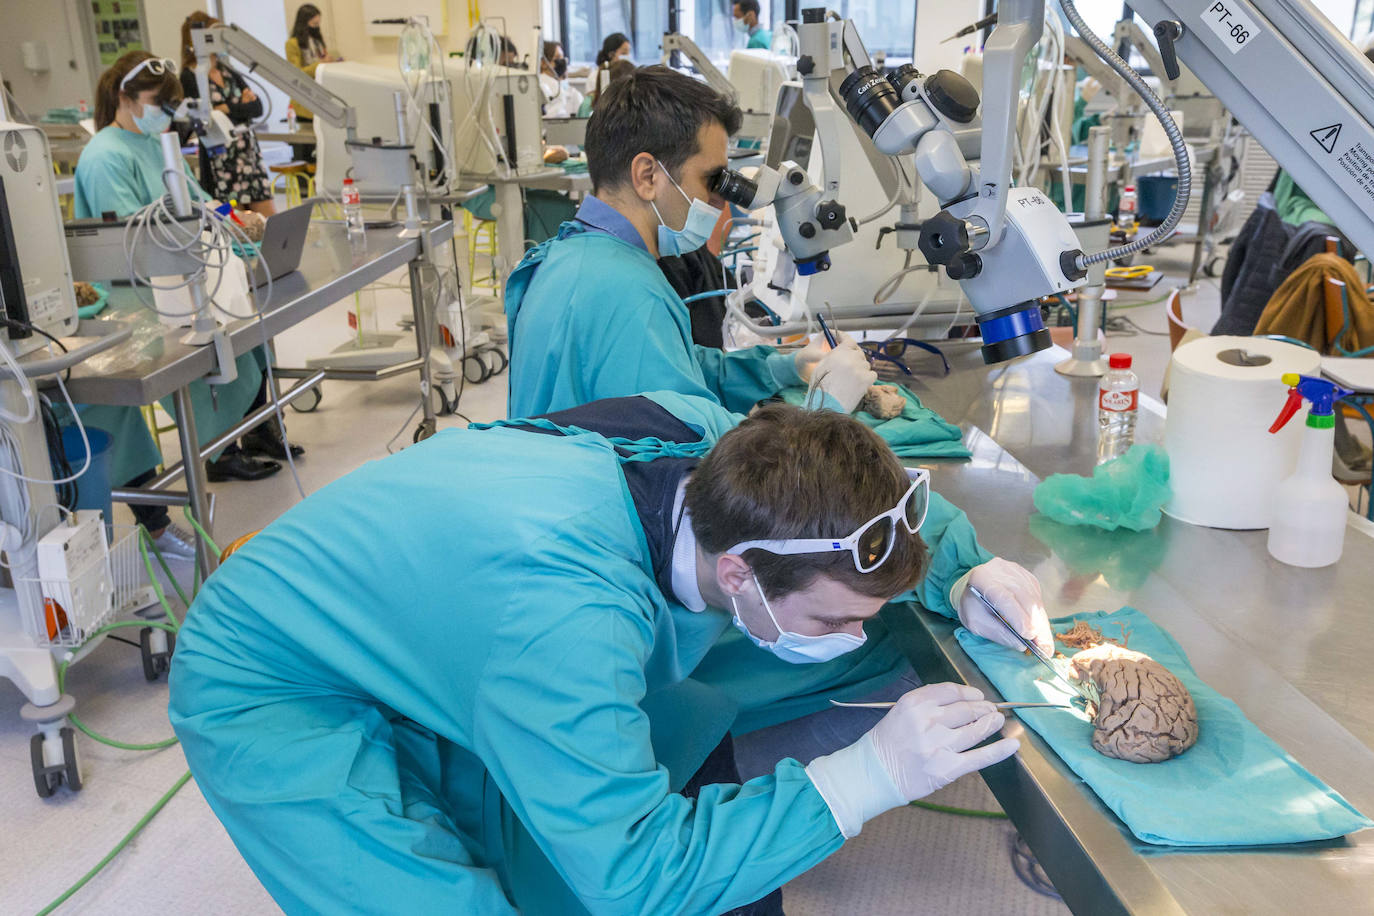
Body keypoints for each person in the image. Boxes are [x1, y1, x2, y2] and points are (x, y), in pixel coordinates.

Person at [171, 392, 1045, 915]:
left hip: (423, 612)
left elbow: (860, 498)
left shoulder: (723, 449)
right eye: (830, 623)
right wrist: (868, 778)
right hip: (274, 680)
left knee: (544, 856)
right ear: (738, 571)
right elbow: (635, 876)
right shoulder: (563, 619)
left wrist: (966, 572)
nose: (850, 640)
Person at [506, 65, 875, 421]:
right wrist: (826, 411)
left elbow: (681, 369)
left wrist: (784, 368)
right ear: (647, 175)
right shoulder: (633, 294)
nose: (720, 199)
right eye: (711, 179)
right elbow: (704, 464)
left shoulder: (562, 255)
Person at [71, 52, 292, 558]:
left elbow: (196, 201)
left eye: (171, 106)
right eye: (157, 103)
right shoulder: (106, 156)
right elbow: (135, 239)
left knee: (248, 336)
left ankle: (232, 442)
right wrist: (206, 230)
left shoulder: (153, 144)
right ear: (125, 98)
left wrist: (238, 220)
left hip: (175, 284)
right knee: (119, 407)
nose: (165, 115)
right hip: (133, 297)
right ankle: (155, 523)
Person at [180, 12, 275, 216]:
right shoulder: (190, 77)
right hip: (221, 159)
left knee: (268, 218)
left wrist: (227, 108)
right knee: (237, 223)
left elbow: (257, 108)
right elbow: (206, 118)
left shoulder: (227, 71)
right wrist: (238, 105)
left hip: (248, 155)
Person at [284, 4, 338, 168]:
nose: (316, 28)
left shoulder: (318, 42)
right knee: (305, 152)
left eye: (318, 25)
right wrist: (319, 64)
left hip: (320, 100)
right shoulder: (293, 44)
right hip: (303, 104)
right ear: (304, 23)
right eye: (313, 25)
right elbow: (297, 73)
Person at [538, 40, 583, 119]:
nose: (562, 62)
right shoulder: (544, 84)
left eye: (563, 58)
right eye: (558, 58)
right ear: (544, 63)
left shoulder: (558, 84)